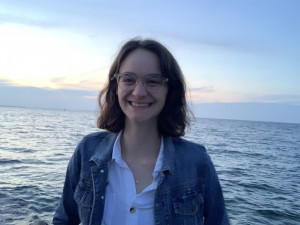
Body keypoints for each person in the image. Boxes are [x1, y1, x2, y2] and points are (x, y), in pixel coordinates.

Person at [53, 38, 230, 225]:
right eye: (128, 79)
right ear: (116, 86)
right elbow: (63, 220)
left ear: (170, 90)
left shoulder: (196, 161)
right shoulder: (87, 152)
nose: (138, 92)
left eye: (153, 81)